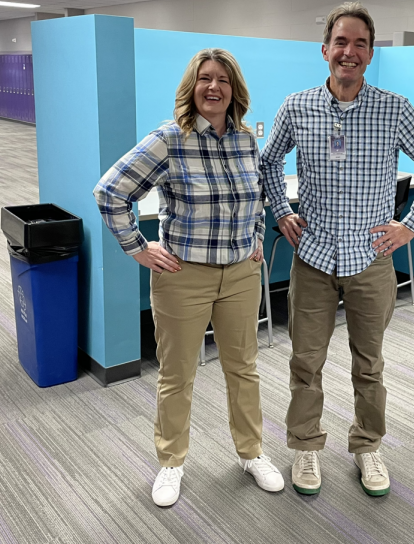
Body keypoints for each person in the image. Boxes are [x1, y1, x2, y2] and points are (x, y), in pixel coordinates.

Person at [260, 2, 414, 497]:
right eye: (341, 42)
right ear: (325, 50)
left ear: (370, 53)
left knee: (369, 363)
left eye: (360, 44)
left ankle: (367, 446)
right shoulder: (297, 106)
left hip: (371, 260)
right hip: (315, 257)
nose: (349, 52)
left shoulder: (395, 109)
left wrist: (409, 227)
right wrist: (282, 211)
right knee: (306, 361)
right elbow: (266, 165)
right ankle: (305, 446)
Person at [94, 48, 283, 507]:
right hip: (184, 276)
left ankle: (251, 453)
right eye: (204, 79)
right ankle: (172, 462)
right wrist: (138, 248)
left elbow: (255, 196)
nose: (213, 87)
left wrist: (256, 236)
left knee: (244, 369)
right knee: (177, 375)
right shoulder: (169, 139)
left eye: (222, 79)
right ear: (192, 88)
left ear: (234, 89)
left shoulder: (245, 141)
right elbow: (110, 192)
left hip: (240, 274)